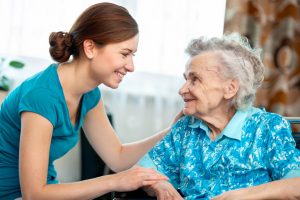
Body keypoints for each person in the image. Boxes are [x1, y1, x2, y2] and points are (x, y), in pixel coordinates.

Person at [0, 2, 181, 199]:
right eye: (125, 54)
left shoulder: (90, 94)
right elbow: (34, 194)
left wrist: (173, 131)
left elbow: (117, 157)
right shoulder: (42, 96)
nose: (131, 66)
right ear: (90, 48)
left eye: (132, 55)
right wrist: (115, 181)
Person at [139, 33, 300, 200]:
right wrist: (161, 185)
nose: (182, 90)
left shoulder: (267, 127)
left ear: (230, 88)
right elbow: (145, 170)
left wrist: (242, 196)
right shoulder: (185, 128)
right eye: (186, 79)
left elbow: (296, 185)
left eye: (195, 80)